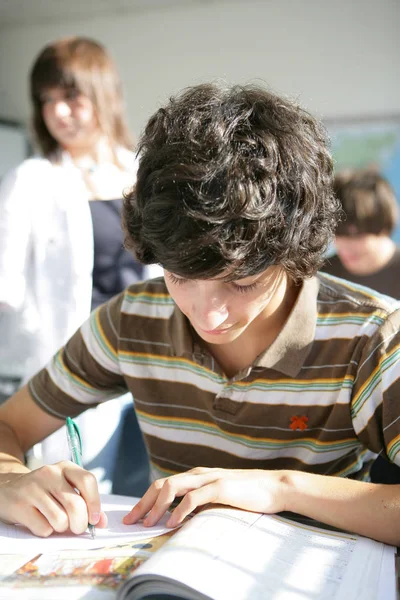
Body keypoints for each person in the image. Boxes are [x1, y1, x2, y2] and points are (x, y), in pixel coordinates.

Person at [1, 82, 400, 546]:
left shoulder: (375, 335)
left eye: (243, 282)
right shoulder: (131, 320)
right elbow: (9, 425)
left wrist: (281, 489)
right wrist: (10, 480)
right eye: (180, 277)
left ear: (295, 252)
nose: (208, 317)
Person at [0, 37, 160, 490]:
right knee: (87, 489)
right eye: (47, 100)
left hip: (149, 355)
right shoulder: (31, 180)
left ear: (102, 94)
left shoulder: (142, 173)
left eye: (71, 96)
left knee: (154, 490)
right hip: (80, 361)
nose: (58, 112)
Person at [322, 168, 400, 484]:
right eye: (339, 234)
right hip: (339, 412)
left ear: (382, 225)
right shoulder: (322, 274)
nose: (347, 246)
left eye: (357, 234)